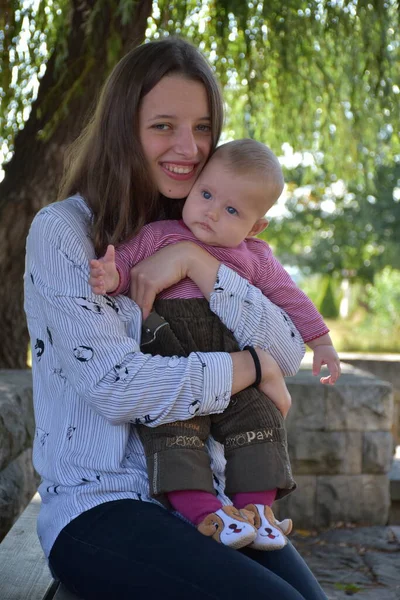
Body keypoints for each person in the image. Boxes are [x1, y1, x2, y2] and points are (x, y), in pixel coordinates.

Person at [24, 36, 331, 599]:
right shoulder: (65, 231)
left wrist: (197, 262)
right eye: (163, 125)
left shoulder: (210, 230)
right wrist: (250, 366)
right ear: (124, 128)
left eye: (203, 127)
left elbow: (291, 349)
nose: (188, 147)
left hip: (211, 502)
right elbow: (118, 387)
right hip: (102, 508)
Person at [89, 138, 340, 551]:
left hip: (235, 367)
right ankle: (206, 513)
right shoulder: (160, 235)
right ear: (194, 186)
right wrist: (109, 277)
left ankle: (257, 510)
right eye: (206, 194)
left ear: (255, 226)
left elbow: (291, 298)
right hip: (171, 359)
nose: (210, 211)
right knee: (172, 430)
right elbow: (129, 265)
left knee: (262, 419)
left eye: (231, 210)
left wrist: (323, 344)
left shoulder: (254, 256)